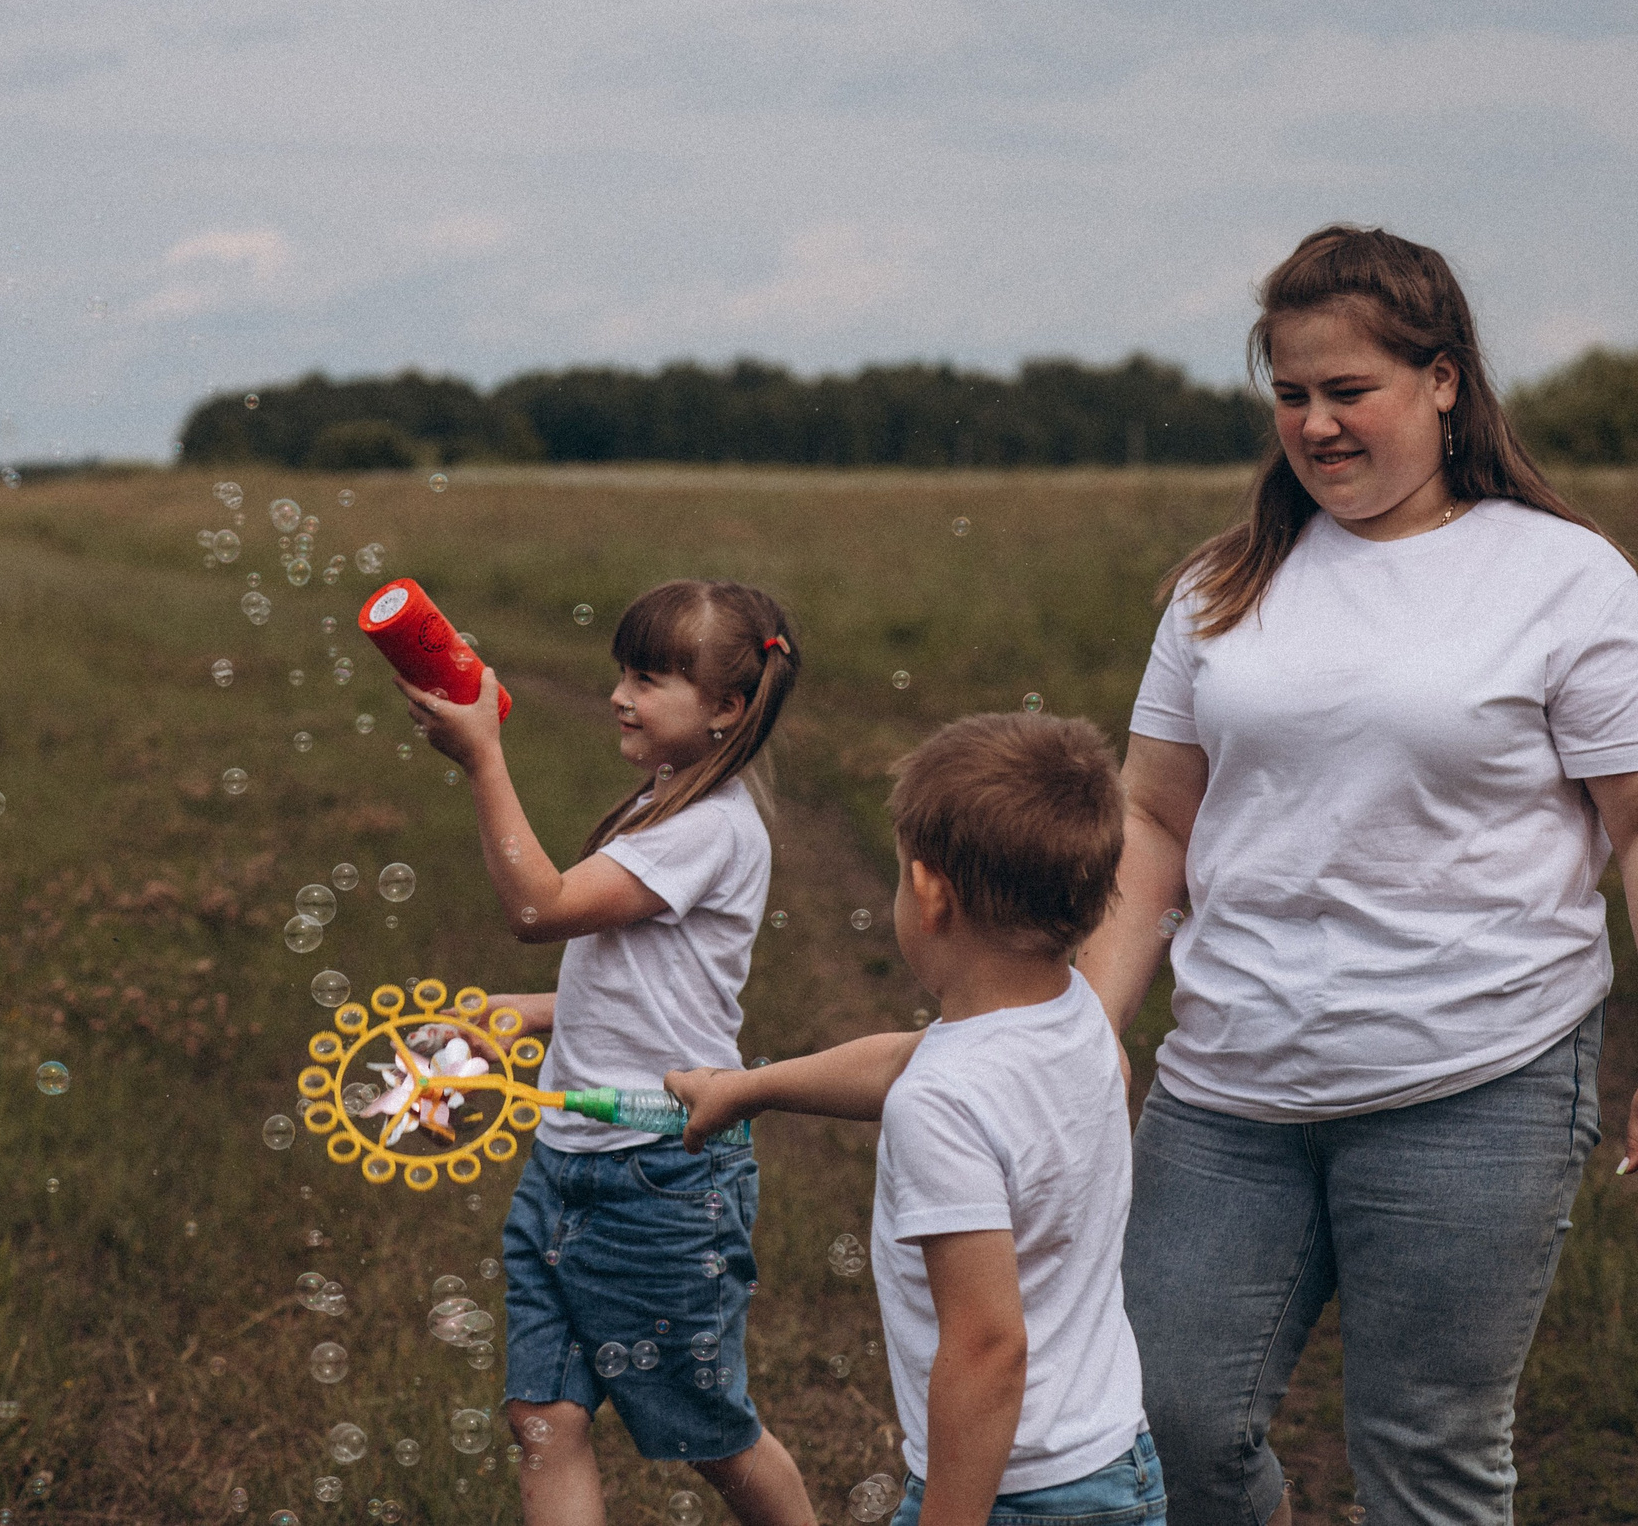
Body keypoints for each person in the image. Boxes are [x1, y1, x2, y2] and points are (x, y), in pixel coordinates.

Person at [1075, 225, 1638, 1524]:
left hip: (1478, 1074)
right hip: (1230, 1079)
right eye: (1291, 395)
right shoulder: (1224, 585)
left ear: (1443, 381)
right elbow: (1155, 814)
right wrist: (1089, 1016)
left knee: (1425, 1450)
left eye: (1349, 390)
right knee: (1165, 1417)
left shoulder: (1562, 576)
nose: (1317, 424)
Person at [671, 713, 1162, 1526]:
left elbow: (987, 1347)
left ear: (931, 893)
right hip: (1114, 1461)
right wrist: (748, 1088)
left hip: (1015, 1492)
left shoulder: (942, 1104)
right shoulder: (1076, 1017)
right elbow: (913, 1057)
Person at [402, 579, 820, 1526]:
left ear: (727, 706)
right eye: (621, 673)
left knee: (707, 1427)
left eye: (650, 677)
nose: (620, 695)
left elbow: (537, 909)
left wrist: (482, 758)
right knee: (541, 1413)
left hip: (660, 1179)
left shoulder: (710, 825)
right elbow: (644, 982)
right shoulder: (664, 800)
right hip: (569, 1163)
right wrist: (535, 1013)